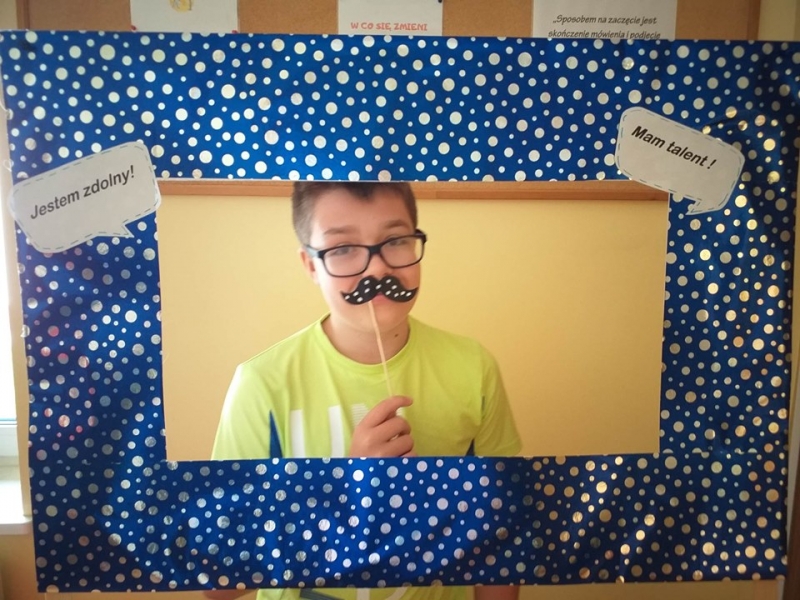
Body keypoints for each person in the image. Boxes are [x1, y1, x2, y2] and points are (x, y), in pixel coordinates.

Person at [208, 182, 521, 600]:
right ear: (310, 265)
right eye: (342, 249)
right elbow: (221, 584)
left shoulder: (473, 369)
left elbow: (501, 532)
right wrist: (344, 488)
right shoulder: (262, 384)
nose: (376, 271)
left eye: (395, 241)